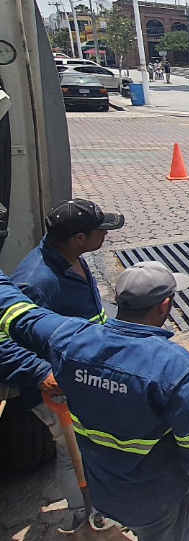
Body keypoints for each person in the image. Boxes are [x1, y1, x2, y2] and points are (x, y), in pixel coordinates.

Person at [0, 261, 189, 541]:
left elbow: (18, 314)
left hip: (105, 491)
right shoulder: (175, 368)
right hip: (158, 501)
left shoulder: (69, 339)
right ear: (165, 305)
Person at [1, 199, 125, 532]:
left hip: (83, 378)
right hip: (59, 389)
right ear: (79, 238)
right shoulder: (36, 282)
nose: (106, 235)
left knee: (94, 446)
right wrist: (45, 376)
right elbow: (11, 339)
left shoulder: (72, 260)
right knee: (74, 452)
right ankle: (87, 513)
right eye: (101, 231)